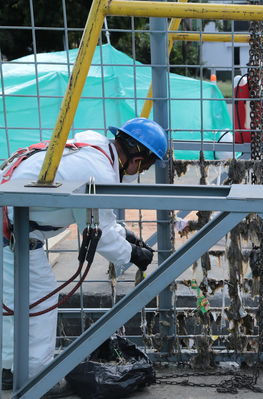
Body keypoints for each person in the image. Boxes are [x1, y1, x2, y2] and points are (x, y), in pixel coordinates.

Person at [1, 117, 167, 396]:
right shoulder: (99, 173)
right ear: (138, 160)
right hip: (11, 232)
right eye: (146, 165)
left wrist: (125, 234)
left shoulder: (94, 148)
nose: (141, 171)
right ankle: (36, 377)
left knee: (14, 302)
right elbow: (100, 230)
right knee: (40, 302)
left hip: (10, 225)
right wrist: (132, 254)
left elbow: (96, 213)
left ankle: (9, 368)